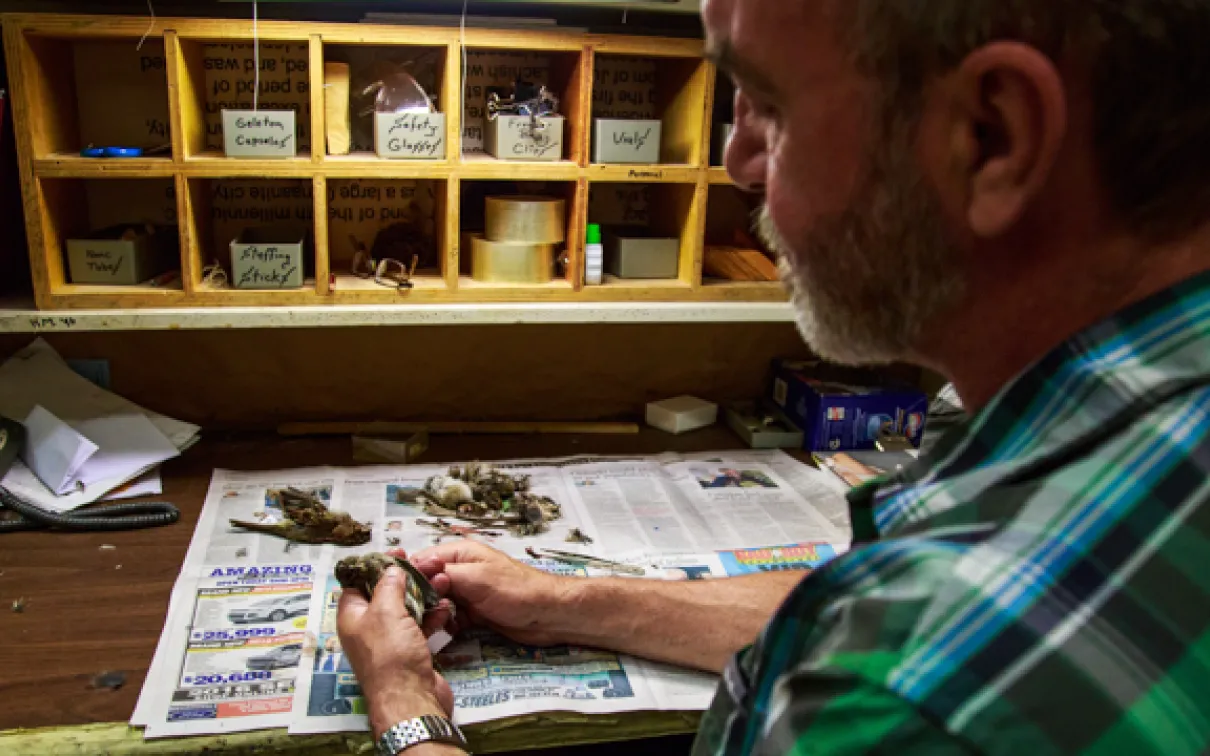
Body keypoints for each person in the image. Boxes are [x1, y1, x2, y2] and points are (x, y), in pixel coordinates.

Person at [338, 1, 1210, 753]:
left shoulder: (896, 704)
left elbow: (900, 647)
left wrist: (409, 710)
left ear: (992, 138)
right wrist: (568, 600)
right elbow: (845, 607)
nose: (735, 159)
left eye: (772, 106)